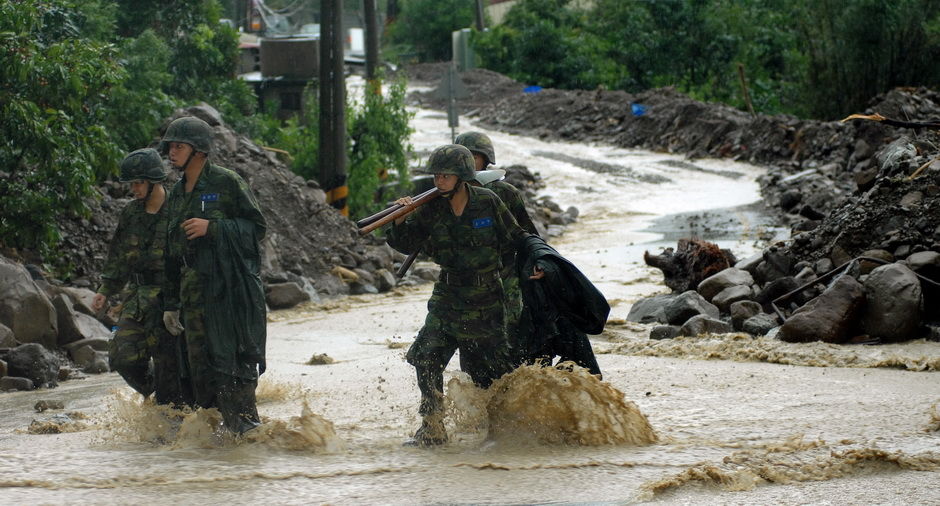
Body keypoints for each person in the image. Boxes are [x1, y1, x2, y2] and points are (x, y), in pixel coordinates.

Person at [386, 144, 542, 447]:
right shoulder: (431, 208)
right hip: (448, 295)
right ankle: (432, 426)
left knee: (497, 370)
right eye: (436, 176)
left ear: (462, 177)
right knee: (426, 357)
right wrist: (401, 219)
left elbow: (519, 237)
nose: (438, 182)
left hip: (486, 297)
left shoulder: (488, 202)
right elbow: (406, 243)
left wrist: (538, 264)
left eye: (445, 176)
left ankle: (501, 429)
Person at [160, 116, 267, 435]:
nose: (172, 152)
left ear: (200, 151)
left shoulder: (227, 182)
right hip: (195, 298)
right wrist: (170, 303)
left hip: (230, 295)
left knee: (232, 370)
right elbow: (171, 250)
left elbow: (257, 228)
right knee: (201, 376)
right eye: (170, 146)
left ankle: (247, 441)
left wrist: (214, 228)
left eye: (179, 146)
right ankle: (216, 457)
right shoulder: (177, 193)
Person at [92, 148, 191, 406]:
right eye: (131, 183)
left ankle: (172, 416)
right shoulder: (131, 213)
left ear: (153, 181)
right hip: (137, 299)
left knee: (170, 367)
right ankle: (153, 393)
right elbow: (118, 255)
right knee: (122, 357)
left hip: (171, 300)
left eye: (138, 182)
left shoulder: (178, 212)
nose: (134, 189)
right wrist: (106, 289)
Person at [455, 131, 538, 364]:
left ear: (486, 159)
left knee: (507, 339)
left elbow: (528, 235)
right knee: (469, 347)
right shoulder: (447, 194)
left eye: (473, 156)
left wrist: (538, 265)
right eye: (462, 156)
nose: (468, 162)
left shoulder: (505, 193)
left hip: (505, 277)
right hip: (466, 285)